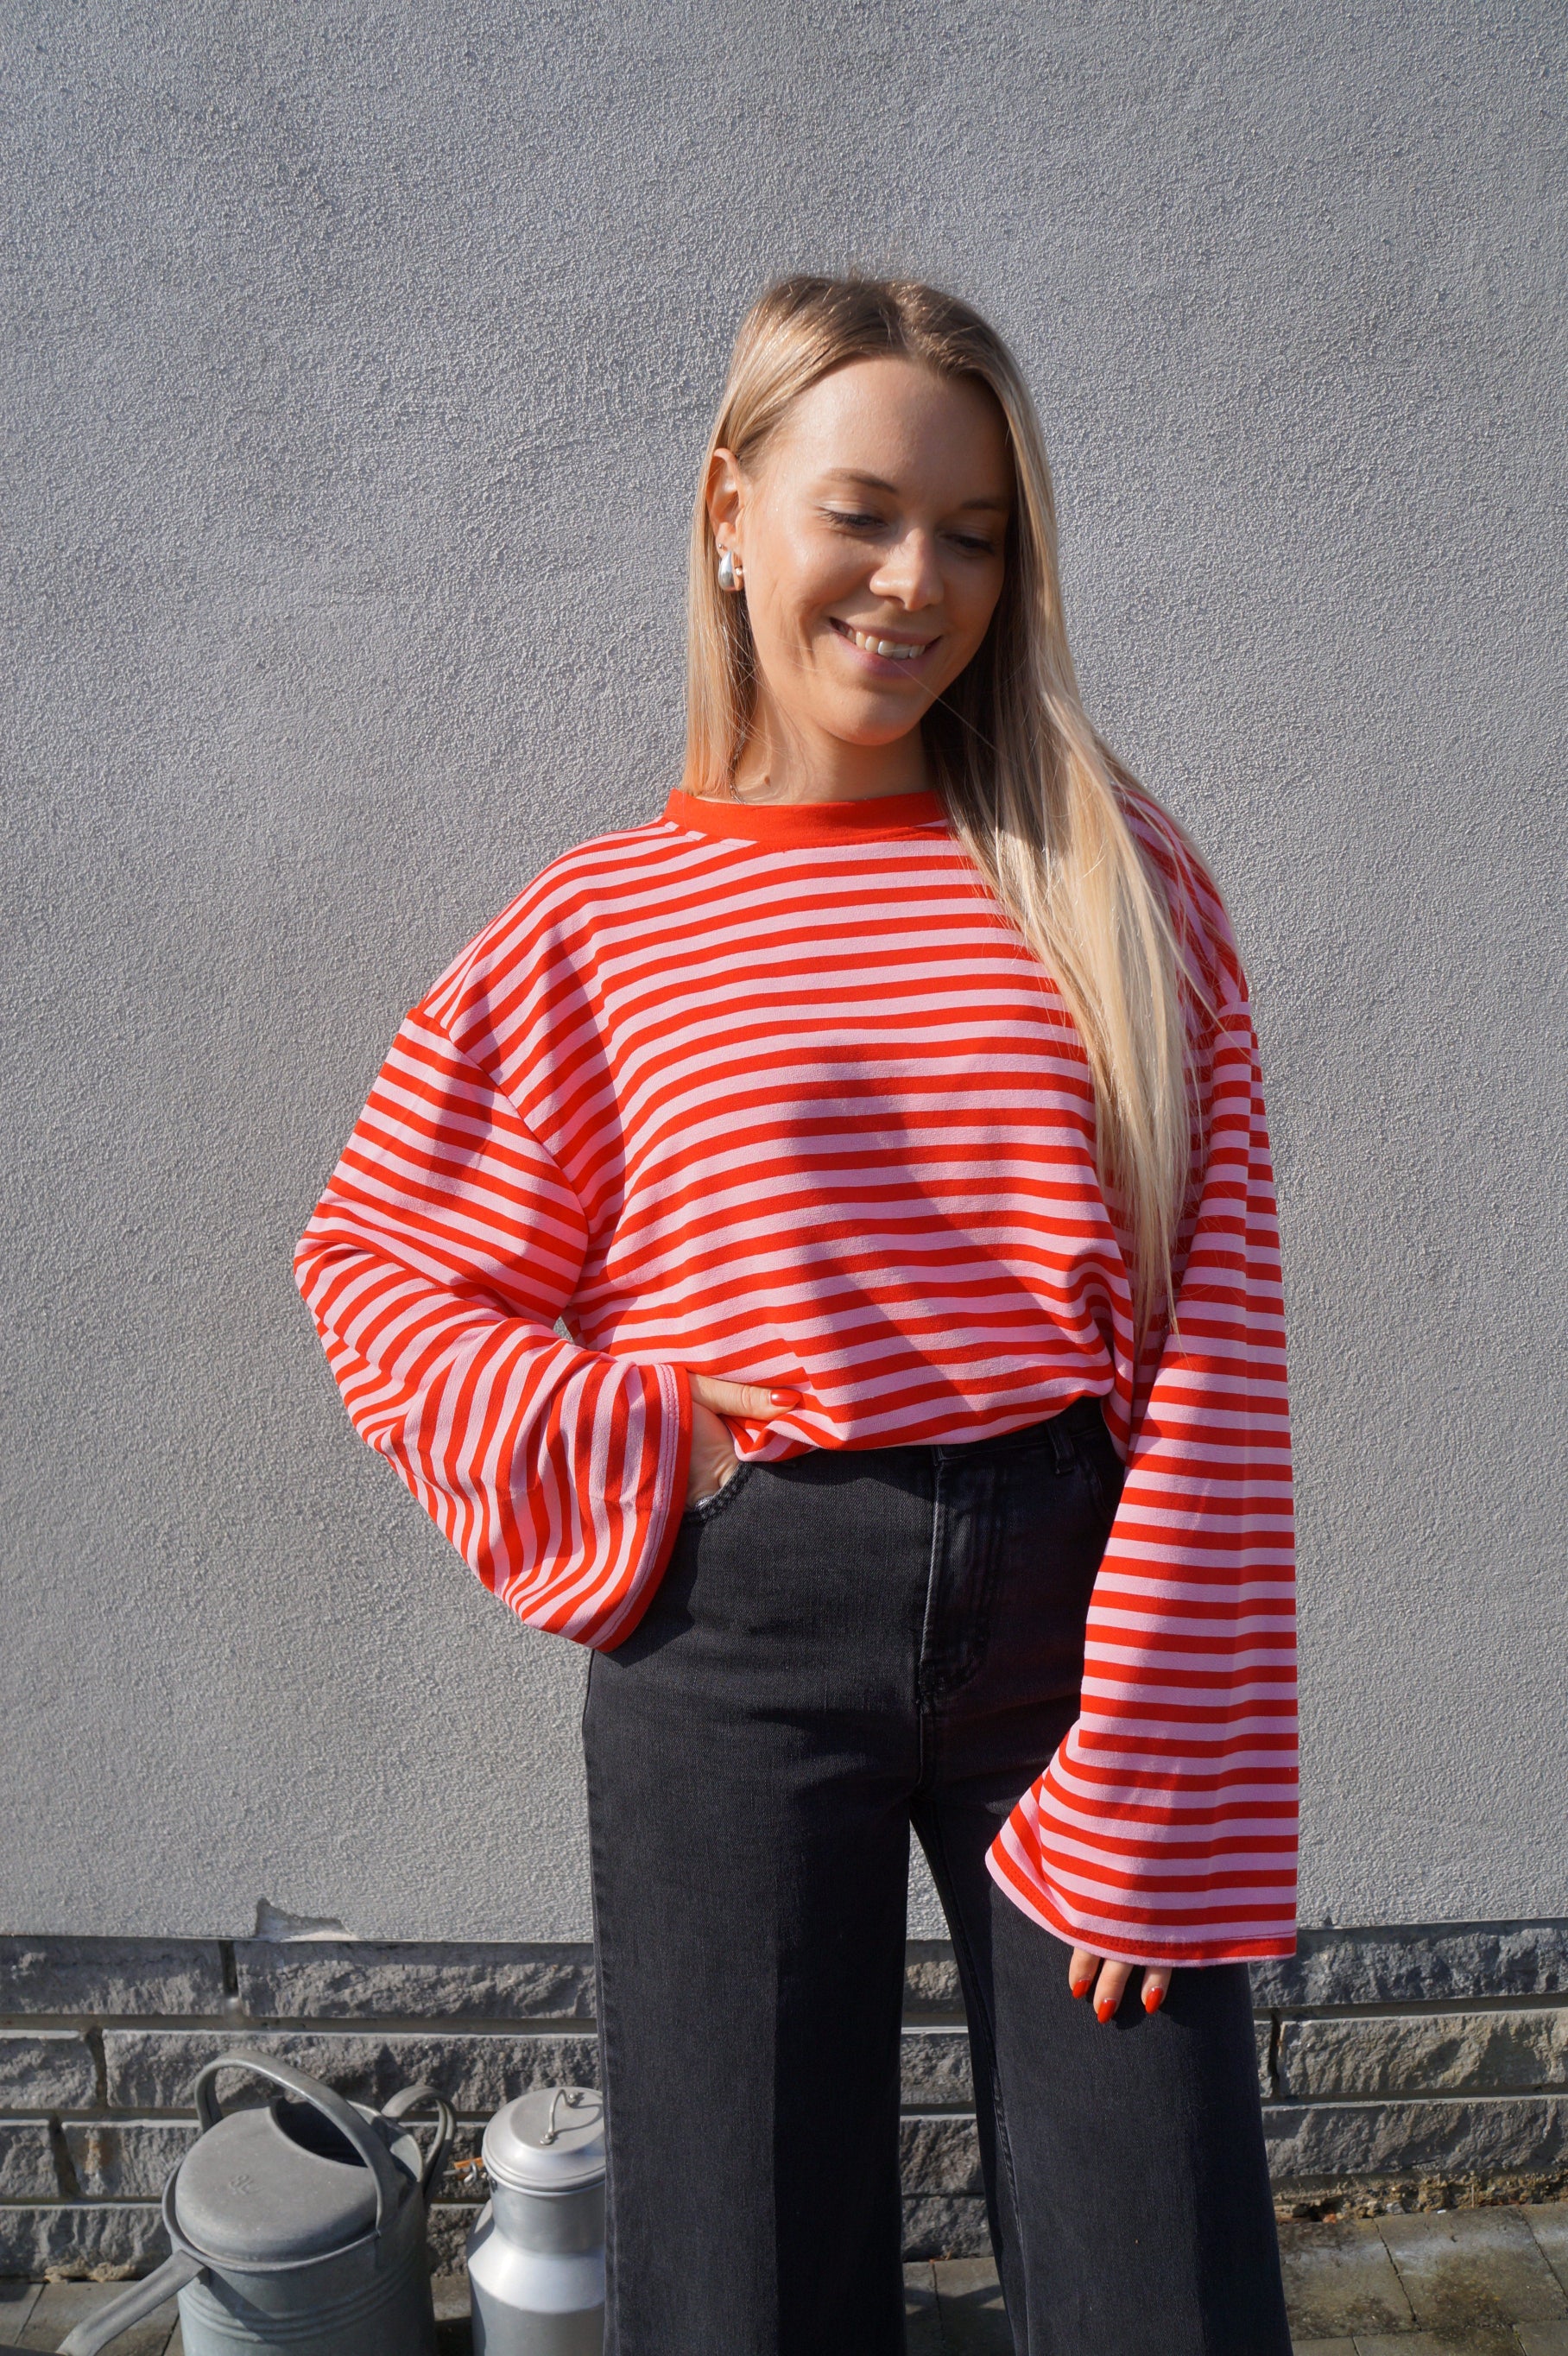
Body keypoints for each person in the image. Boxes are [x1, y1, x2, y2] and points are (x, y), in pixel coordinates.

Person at [296, 274, 1298, 2356]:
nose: (915, 581)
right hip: (740, 1631)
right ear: (729, 511)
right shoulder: (599, 927)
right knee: (737, 2280)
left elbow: (1217, 1338)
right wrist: (640, 1430)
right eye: (862, 512)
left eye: (972, 531)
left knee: (1161, 2266)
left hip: (1078, 1610)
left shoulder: (1111, 879)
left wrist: (1164, 1754)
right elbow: (376, 1259)